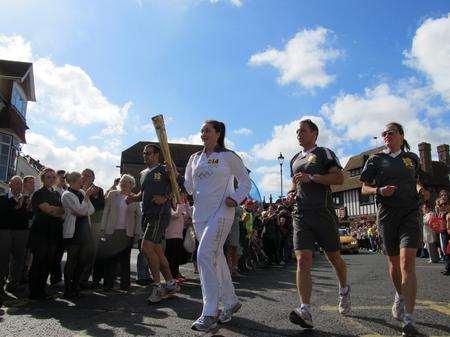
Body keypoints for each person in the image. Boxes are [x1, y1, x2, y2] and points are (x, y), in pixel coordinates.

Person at [360, 122, 430, 337]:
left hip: (410, 213)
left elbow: (417, 181)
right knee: (393, 264)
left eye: (390, 133)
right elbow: (364, 188)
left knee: (407, 262)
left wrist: (421, 191)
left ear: (401, 135)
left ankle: (408, 320)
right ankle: (399, 296)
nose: (386, 136)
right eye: (384, 134)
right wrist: (379, 190)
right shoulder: (376, 159)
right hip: (387, 216)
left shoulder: (412, 159)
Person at [184, 120, 252, 331]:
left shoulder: (228, 156)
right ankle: (230, 301)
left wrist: (237, 197)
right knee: (215, 257)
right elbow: (188, 187)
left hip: (221, 213)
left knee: (204, 255)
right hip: (200, 216)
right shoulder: (194, 158)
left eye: (208, 130)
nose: (203, 133)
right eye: (202, 130)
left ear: (218, 133)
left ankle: (210, 311)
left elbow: (245, 181)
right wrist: (173, 175)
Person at [286, 119, 350, 330]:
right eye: (297, 131)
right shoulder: (294, 159)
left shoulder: (324, 153)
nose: (298, 134)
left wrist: (312, 177)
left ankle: (343, 289)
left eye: (302, 130)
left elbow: (339, 178)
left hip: (323, 213)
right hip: (301, 214)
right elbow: (294, 183)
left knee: (334, 258)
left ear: (314, 133)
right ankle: (305, 309)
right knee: (303, 259)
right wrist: (291, 193)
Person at [126, 144, 181, 303]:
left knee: (145, 248)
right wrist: (133, 198)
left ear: (157, 155)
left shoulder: (165, 169)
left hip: (159, 214)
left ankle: (158, 287)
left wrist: (165, 198)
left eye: (148, 153)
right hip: (147, 215)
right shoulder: (143, 173)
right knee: (157, 250)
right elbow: (143, 193)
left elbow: (178, 187)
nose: (145, 156)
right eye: (144, 153)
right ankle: (171, 282)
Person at [100, 174, 142, 291]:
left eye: (127, 181)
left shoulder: (134, 198)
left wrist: (137, 233)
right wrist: (102, 229)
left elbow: (139, 217)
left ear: (132, 185)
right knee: (111, 259)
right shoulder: (113, 194)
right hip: (112, 231)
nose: (124, 183)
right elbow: (106, 212)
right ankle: (108, 284)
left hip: (127, 233)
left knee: (125, 260)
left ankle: (125, 285)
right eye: (123, 181)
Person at [28, 168, 65, 300]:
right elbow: (48, 210)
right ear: (43, 178)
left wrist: (57, 210)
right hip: (41, 232)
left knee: (48, 262)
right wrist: (57, 210)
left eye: (53, 177)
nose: (51, 179)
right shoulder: (39, 193)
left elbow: (63, 212)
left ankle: (42, 290)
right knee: (38, 261)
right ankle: (34, 291)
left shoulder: (56, 194)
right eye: (48, 177)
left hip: (54, 233)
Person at [61, 171, 96, 299]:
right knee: (71, 260)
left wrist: (82, 208)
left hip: (85, 230)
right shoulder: (67, 195)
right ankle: (67, 289)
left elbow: (91, 210)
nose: (83, 180)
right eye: (81, 178)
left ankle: (75, 286)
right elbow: (81, 210)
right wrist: (85, 200)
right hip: (73, 231)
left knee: (82, 260)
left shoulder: (81, 193)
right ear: (75, 180)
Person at [0, 176, 32, 295]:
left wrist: (28, 208)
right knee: (3, 259)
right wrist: (17, 207)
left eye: (20, 184)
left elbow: (28, 217)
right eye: (16, 184)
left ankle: (13, 285)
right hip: (5, 232)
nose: (18, 186)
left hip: (21, 232)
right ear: (10, 185)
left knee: (19, 259)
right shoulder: (3, 199)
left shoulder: (26, 200)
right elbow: (3, 215)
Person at [80, 168, 105, 288]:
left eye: (88, 176)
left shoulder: (99, 190)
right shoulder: (77, 189)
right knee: (80, 251)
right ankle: (77, 277)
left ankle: (85, 278)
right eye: (83, 175)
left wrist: (90, 196)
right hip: (80, 223)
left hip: (94, 223)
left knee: (92, 251)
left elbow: (100, 206)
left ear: (93, 178)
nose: (85, 177)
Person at [165, 194, 191, 282]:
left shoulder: (180, 207)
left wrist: (186, 203)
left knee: (176, 258)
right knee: (171, 258)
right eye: (175, 199)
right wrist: (181, 204)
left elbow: (189, 215)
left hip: (179, 235)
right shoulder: (168, 207)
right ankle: (172, 277)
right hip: (170, 236)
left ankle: (175, 276)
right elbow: (175, 216)